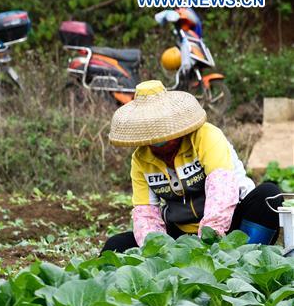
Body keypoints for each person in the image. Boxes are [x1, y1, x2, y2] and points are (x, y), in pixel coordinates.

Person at [103, 80, 282, 253]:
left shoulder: (206, 136)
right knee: (115, 245)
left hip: (230, 225)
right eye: (153, 140)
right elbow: (146, 214)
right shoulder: (140, 158)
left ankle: (245, 258)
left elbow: (222, 192)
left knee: (269, 194)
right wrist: (159, 253)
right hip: (181, 233)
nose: (159, 145)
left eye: (163, 138)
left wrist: (207, 243)